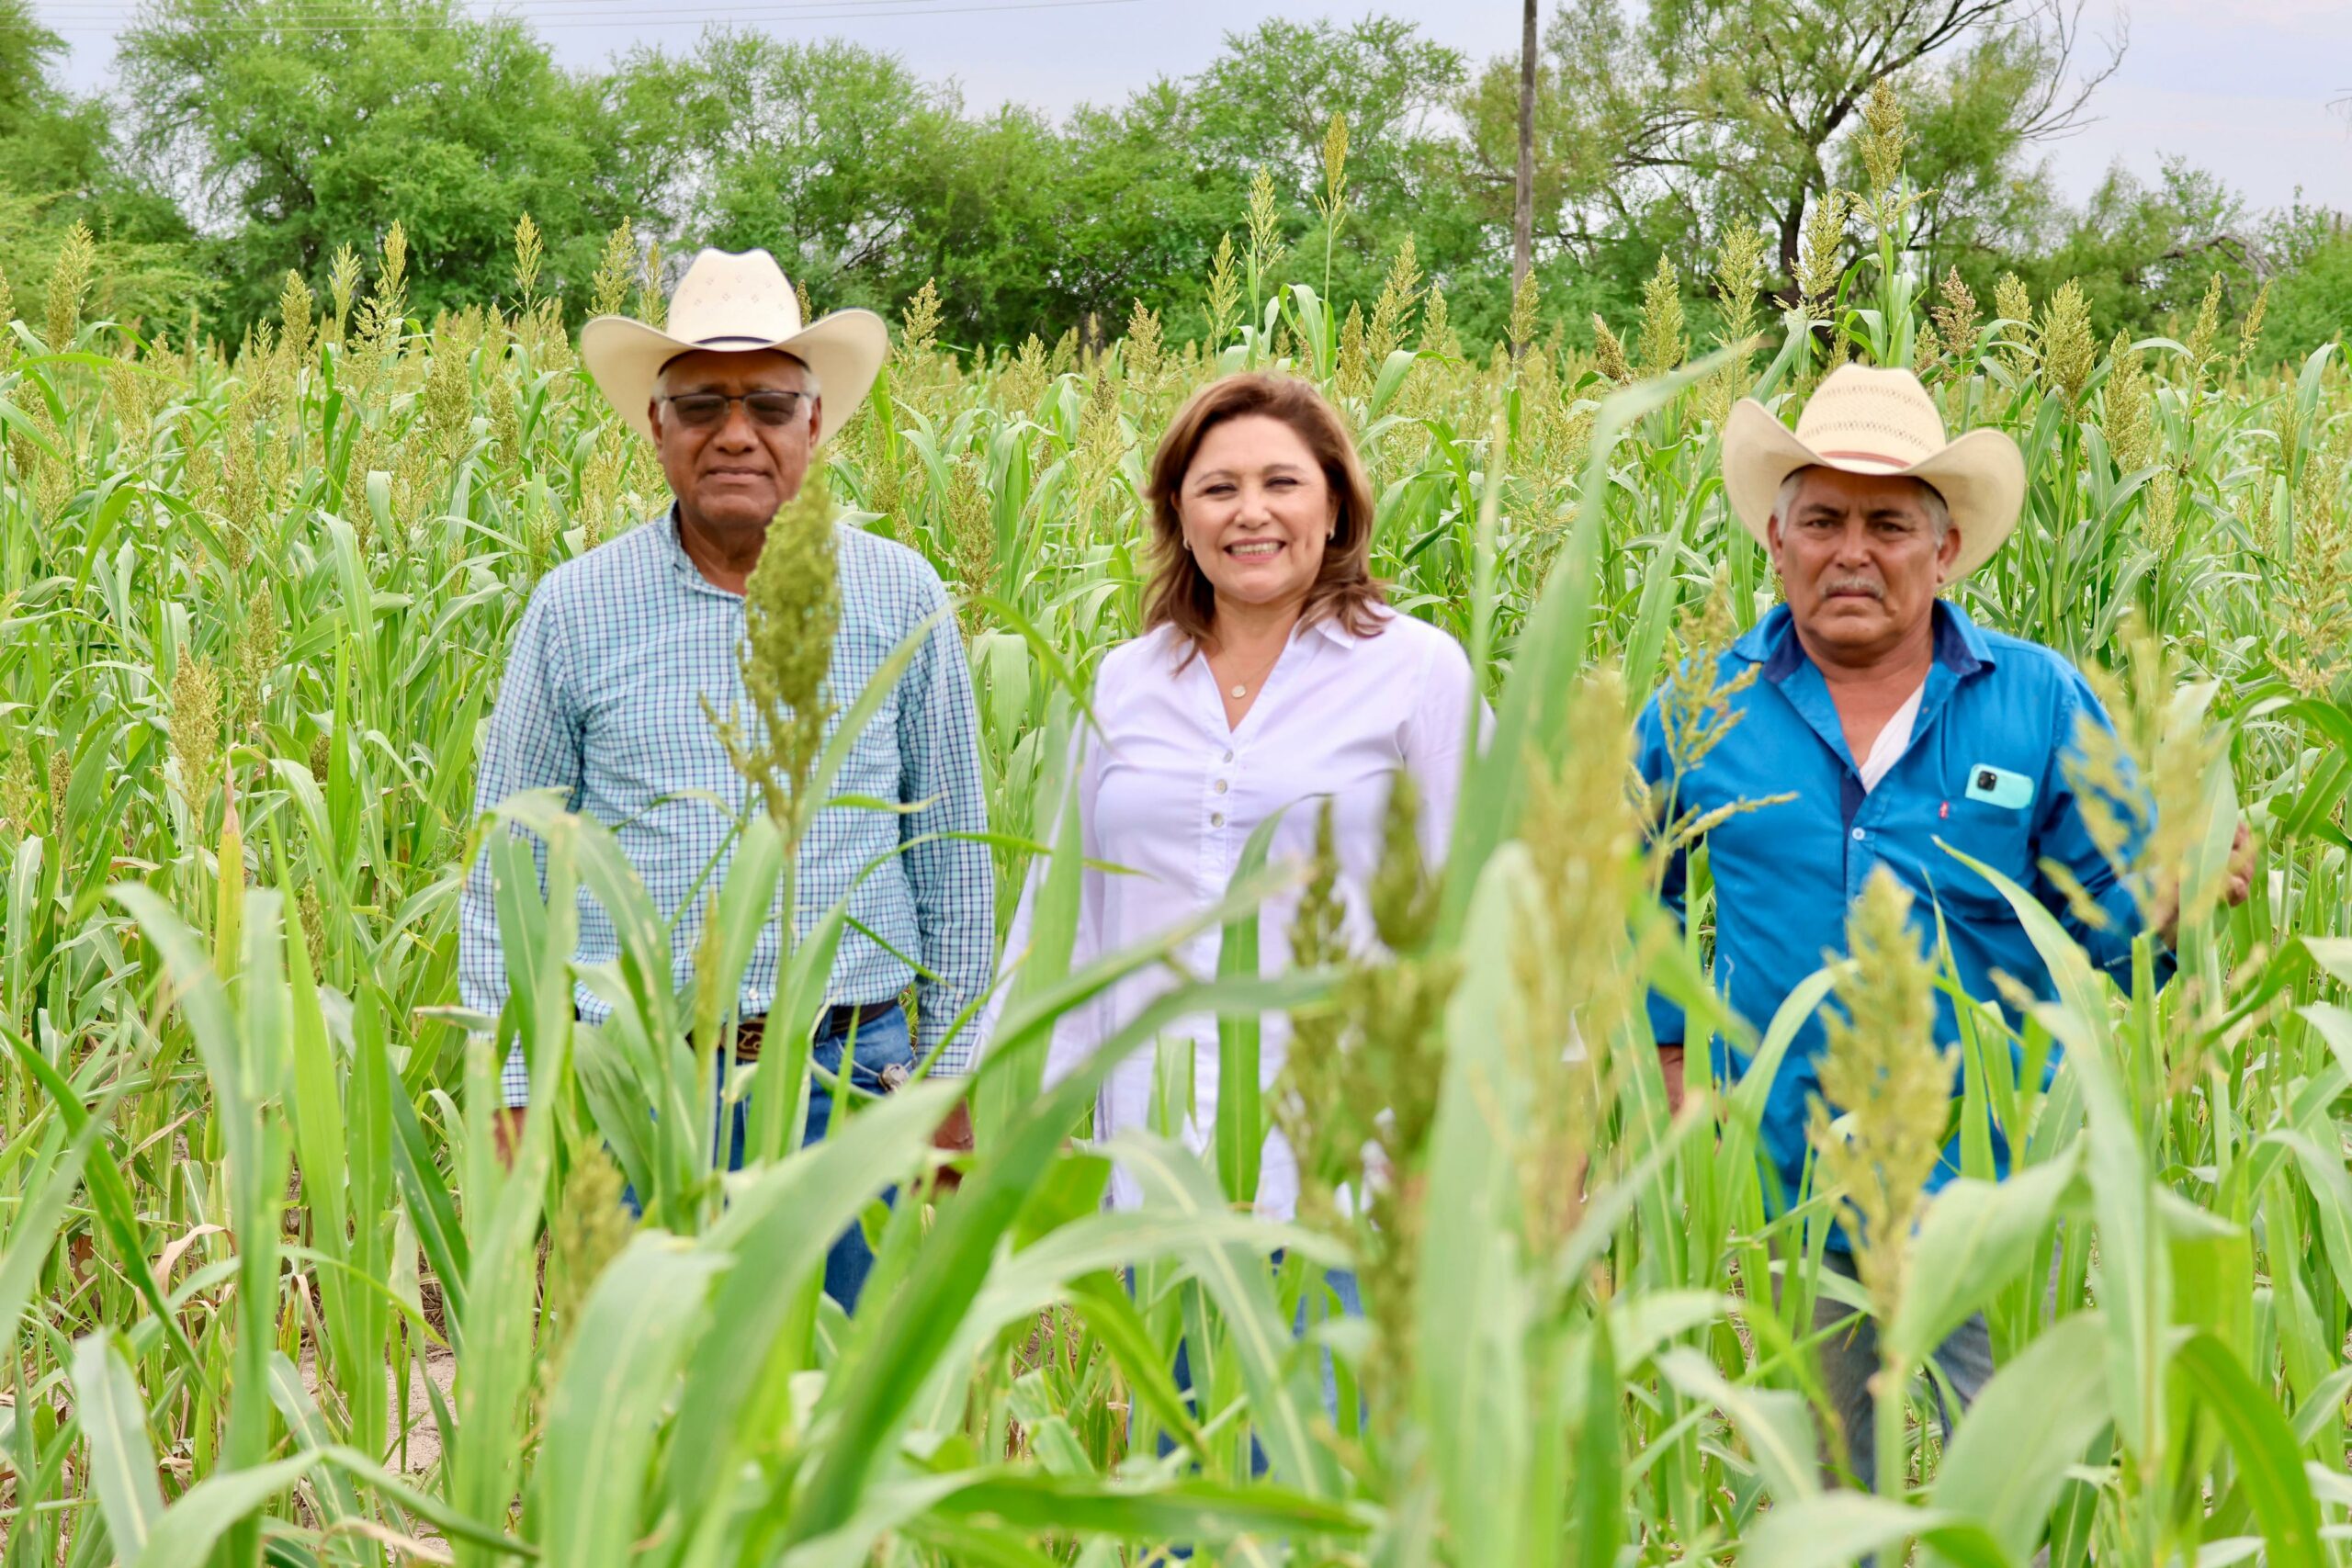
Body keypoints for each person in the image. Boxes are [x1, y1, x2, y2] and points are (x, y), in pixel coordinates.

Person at [1636, 364, 2255, 1491]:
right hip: (1786, 1180)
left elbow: (2100, 920)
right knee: (1819, 1504)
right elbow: (1639, 892)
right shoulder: (1696, 708)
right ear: (1775, 542)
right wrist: (1672, 1061)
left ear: (1946, 548)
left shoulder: (2037, 700)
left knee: (2007, 1493)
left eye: (1888, 523)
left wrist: (2179, 903)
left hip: (1986, 1191)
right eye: (1822, 520)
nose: (1851, 552)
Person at [458, 247, 993, 1309]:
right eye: (701, 403)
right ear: (656, 426)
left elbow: (953, 856)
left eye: (769, 403)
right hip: (644, 1075)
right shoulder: (576, 609)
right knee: (653, 1402)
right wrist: (512, 1086)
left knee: (847, 1398)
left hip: (853, 1069)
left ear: (815, 421)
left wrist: (951, 1072)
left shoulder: (899, 596)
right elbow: (508, 867)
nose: (735, 432)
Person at [991, 371, 1477, 1303]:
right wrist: (1014, 1108)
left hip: (1346, 1184)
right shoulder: (1125, 682)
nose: (1250, 513)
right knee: (1169, 1443)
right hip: (1155, 1175)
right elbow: (1067, 920)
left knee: (1323, 1446)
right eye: (1218, 489)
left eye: (1281, 483)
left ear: (1335, 506)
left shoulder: (1415, 671)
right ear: (1179, 514)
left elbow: (1484, 903)